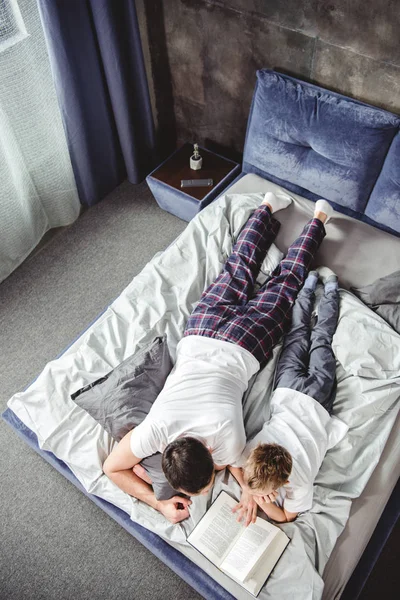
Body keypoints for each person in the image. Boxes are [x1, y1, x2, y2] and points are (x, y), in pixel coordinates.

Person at [103, 192, 335, 524]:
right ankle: (267, 207)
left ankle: (319, 220)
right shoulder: (153, 430)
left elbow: (236, 466)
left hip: (245, 344)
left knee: (284, 286)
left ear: (212, 456)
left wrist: (159, 504)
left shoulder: (228, 439)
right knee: (238, 268)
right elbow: (113, 466)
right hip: (201, 329)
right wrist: (156, 499)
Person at [229, 269, 349, 526]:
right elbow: (233, 465)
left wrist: (264, 501)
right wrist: (251, 490)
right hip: (291, 392)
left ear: (285, 483)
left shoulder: (300, 483)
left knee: (314, 338)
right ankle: (319, 288)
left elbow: (285, 517)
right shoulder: (254, 451)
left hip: (311, 397)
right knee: (311, 337)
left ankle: (323, 288)